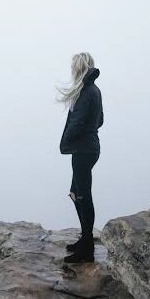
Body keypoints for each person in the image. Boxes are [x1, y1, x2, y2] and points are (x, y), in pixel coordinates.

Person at [56, 52, 104, 263]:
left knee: (83, 195)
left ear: (79, 67)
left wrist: (67, 139)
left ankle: (87, 247)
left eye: (73, 66)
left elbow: (78, 122)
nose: (72, 69)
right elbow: (100, 120)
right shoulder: (92, 90)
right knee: (76, 193)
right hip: (88, 149)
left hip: (84, 150)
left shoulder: (87, 91)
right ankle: (86, 240)